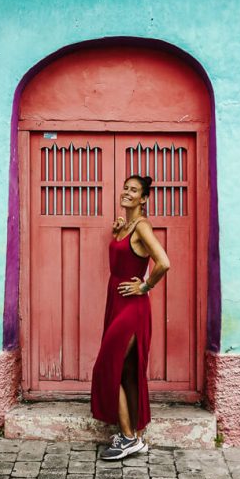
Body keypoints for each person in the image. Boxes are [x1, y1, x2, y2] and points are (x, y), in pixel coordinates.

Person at [90, 174, 170, 460]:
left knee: (105, 367)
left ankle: (127, 439)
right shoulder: (126, 227)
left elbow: (164, 262)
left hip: (133, 307)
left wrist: (145, 286)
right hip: (116, 303)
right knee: (126, 372)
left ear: (144, 199)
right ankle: (135, 435)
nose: (127, 192)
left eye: (134, 190)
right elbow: (126, 255)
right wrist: (118, 234)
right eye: (125, 188)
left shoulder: (142, 227)